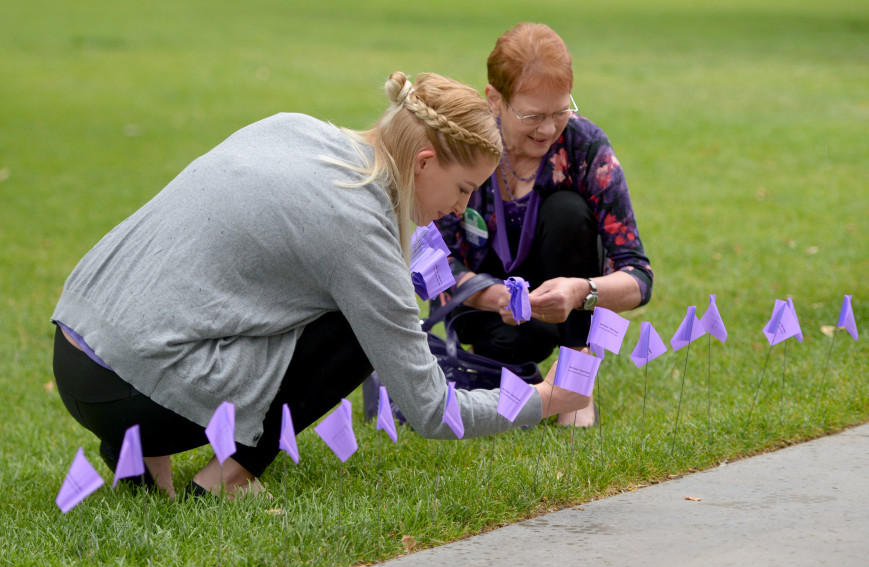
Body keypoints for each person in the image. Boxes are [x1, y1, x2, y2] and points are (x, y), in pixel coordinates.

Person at [51, 71, 590, 500]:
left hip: (75, 345)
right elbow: (431, 411)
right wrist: (544, 398)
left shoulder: (293, 126)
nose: (460, 208)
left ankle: (142, 458)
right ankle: (224, 478)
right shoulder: (359, 230)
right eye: (462, 188)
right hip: (131, 390)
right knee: (362, 323)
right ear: (425, 162)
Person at [435, 23, 654, 427]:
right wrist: (494, 297)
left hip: (564, 306)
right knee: (510, 350)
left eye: (561, 111)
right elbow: (430, 264)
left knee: (568, 211)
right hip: (485, 310)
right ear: (494, 99)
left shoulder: (584, 146)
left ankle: (575, 386)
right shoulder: (464, 143)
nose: (549, 129)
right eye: (534, 115)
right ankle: (515, 375)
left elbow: (639, 277)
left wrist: (582, 291)